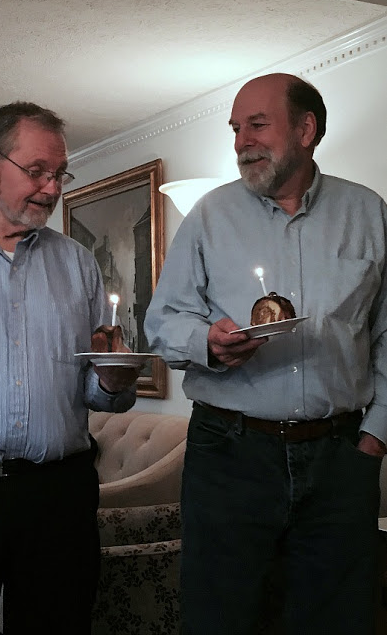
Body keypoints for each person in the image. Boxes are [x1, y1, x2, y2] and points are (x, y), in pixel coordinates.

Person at [144, 73, 387, 635]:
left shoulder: (369, 214)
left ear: (307, 129)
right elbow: (163, 322)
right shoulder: (209, 215)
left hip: (341, 456)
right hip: (229, 455)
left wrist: (376, 434)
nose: (241, 142)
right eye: (235, 129)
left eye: (257, 125)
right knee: (220, 617)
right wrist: (206, 341)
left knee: (339, 617)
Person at [0, 101, 140, 635]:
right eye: (37, 171)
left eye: (59, 173)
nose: (51, 188)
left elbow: (98, 393)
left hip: (57, 496)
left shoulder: (78, 263)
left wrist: (113, 382)